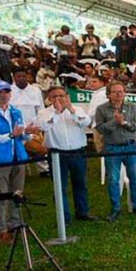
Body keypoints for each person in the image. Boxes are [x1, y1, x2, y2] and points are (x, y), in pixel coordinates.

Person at [0, 80, 39, 244]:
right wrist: (10, 135)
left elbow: (21, 135)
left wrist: (28, 133)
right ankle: (1, 229)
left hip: (17, 156)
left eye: (6, 91)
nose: (3, 95)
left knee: (17, 192)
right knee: (0, 195)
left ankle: (15, 224)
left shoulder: (15, 111)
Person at [39, 86, 94, 223]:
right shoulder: (44, 113)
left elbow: (86, 123)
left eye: (61, 95)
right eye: (54, 96)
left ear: (66, 96)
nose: (58, 99)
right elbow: (44, 127)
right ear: (49, 99)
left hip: (77, 151)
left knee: (80, 184)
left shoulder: (77, 110)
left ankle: (83, 212)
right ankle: (64, 217)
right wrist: (57, 113)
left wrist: (71, 110)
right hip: (57, 154)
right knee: (59, 187)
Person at [94, 81, 136, 221]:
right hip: (112, 148)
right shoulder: (101, 109)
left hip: (130, 146)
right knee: (114, 179)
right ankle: (115, 208)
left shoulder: (132, 107)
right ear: (109, 94)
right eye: (115, 92)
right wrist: (114, 122)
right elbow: (99, 128)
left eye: (121, 91)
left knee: (134, 177)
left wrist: (124, 123)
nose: (119, 94)